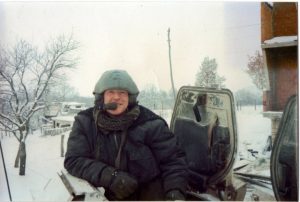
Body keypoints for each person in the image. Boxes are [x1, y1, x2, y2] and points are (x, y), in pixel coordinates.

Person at [64, 69, 188, 200]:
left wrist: (175, 191)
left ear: (130, 97)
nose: (117, 97)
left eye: (122, 92)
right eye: (111, 92)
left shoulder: (151, 123)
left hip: (148, 193)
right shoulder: (85, 122)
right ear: (101, 97)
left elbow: (173, 161)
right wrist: (110, 177)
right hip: (104, 193)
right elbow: (74, 159)